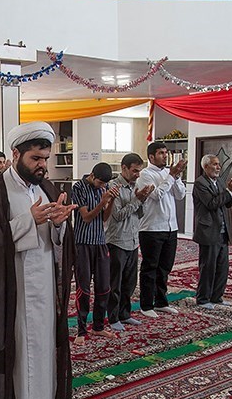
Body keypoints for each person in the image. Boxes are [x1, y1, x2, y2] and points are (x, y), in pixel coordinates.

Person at [0, 121, 76, 399]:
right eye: (35, 159)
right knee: (19, 356)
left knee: (43, 352)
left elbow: (55, 241)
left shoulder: (44, 188)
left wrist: (59, 226)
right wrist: (30, 220)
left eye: (45, 158)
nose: (42, 165)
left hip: (43, 288)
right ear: (16, 154)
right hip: (11, 291)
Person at [136, 141, 188, 318]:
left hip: (170, 227)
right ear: (151, 156)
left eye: (166, 153)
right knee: (150, 267)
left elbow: (180, 195)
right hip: (151, 228)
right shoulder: (145, 174)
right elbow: (156, 195)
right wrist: (171, 177)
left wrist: (177, 176)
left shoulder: (169, 173)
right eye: (161, 153)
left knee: (165, 267)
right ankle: (146, 304)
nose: (165, 156)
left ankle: (161, 302)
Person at [71, 162, 119, 345]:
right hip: (83, 243)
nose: (101, 186)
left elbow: (105, 218)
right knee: (83, 288)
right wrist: (102, 201)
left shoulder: (103, 189)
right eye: (99, 183)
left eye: (104, 185)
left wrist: (111, 200)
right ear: (92, 175)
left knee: (104, 287)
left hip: (100, 242)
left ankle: (98, 326)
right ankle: (81, 330)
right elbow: (87, 217)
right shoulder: (79, 187)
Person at [105, 153, 153, 332]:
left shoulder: (135, 186)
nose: (137, 174)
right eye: (134, 171)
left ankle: (125, 314)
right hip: (117, 240)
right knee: (115, 283)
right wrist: (137, 199)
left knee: (130, 282)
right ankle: (113, 316)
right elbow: (118, 215)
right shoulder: (113, 186)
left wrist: (143, 199)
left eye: (139, 171)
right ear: (124, 168)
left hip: (133, 240)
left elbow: (139, 214)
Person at [192, 154, 232, 309]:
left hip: (222, 231)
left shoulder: (219, 182)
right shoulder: (200, 183)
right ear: (205, 166)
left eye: (219, 165)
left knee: (222, 267)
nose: (218, 167)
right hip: (209, 231)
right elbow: (211, 203)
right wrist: (228, 191)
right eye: (214, 164)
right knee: (208, 267)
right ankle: (203, 299)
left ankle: (217, 297)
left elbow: (227, 204)